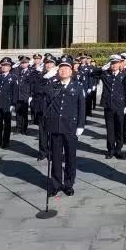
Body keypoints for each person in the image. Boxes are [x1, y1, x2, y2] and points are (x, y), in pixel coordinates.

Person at [42, 56, 86, 197]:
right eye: (61, 69)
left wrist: (80, 125)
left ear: (71, 71)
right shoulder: (53, 85)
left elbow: (81, 108)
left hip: (71, 127)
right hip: (56, 126)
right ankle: (55, 184)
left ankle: (68, 184)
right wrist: (48, 76)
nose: (63, 71)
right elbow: (41, 90)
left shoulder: (77, 87)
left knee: (70, 157)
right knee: (55, 156)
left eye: (66, 68)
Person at [90, 54, 126, 159]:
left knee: (119, 129)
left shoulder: (124, 75)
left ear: (119, 64)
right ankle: (110, 149)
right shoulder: (106, 74)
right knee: (110, 129)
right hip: (108, 105)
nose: (114, 65)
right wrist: (103, 67)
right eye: (112, 63)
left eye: (116, 63)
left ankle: (118, 149)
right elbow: (92, 73)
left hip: (120, 106)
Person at [0, 57, 18, 149]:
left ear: (10, 67)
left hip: (7, 104)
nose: (4, 67)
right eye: (3, 65)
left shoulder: (13, 78)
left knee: (7, 124)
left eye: (7, 65)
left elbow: (15, 92)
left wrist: (13, 104)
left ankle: (6, 141)